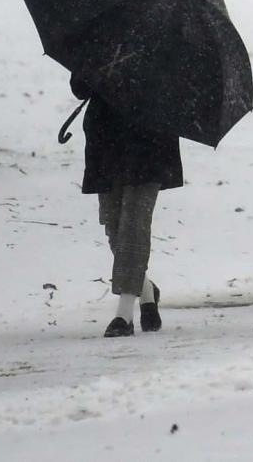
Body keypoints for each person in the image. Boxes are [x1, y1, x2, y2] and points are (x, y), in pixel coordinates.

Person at [65, 72, 181, 337]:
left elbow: (175, 87)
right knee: (114, 225)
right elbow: (79, 88)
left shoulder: (168, 39)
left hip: (151, 141)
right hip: (106, 142)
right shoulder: (100, 35)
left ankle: (124, 314)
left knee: (134, 224)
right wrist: (99, 69)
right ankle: (146, 290)